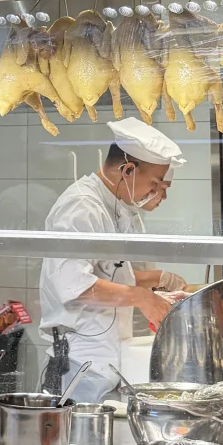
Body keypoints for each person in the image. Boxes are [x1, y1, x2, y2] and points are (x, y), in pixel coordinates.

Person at [39, 118, 188, 402]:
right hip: (78, 365)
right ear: (128, 170)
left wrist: (158, 293)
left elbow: (114, 274)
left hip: (110, 361)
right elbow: (74, 285)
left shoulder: (121, 207)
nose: (157, 193)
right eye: (155, 184)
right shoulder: (81, 205)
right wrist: (142, 298)